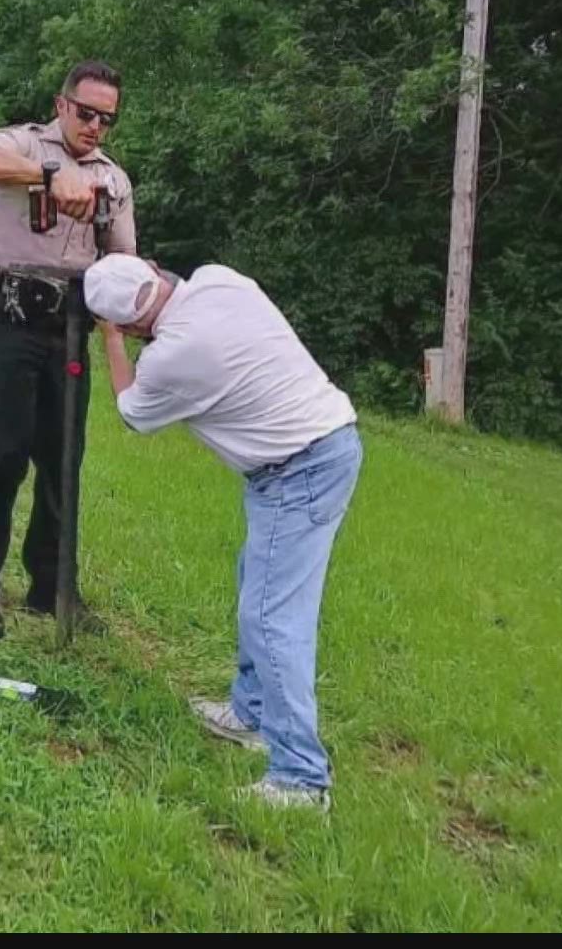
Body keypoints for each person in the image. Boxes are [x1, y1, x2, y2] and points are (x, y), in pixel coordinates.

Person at [84, 253, 363, 811]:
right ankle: (250, 713)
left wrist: (110, 342)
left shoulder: (170, 357)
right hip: (322, 448)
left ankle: (301, 779)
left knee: (271, 618)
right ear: (155, 268)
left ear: (133, 327)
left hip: (298, 471)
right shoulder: (219, 279)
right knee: (255, 587)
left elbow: (132, 412)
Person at [0, 60, 138, 639]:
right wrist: (47, 176)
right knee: (2, 454)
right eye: (86, 113)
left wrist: (117, 332)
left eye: (107, 119)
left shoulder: (114, 177)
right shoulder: (22, 144)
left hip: (72, 324)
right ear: (62, 106)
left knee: (62, 462)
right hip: (9, 314)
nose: (95, 127)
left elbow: (123, 261)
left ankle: (52, 590)